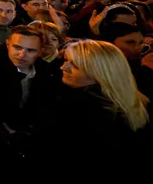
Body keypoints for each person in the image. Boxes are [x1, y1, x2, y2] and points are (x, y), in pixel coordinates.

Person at [39, 40, 150, 182]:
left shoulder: (78, 110)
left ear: (99, 73)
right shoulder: (136, 101)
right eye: (66, 60)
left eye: (75, 66)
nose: (63, 67)